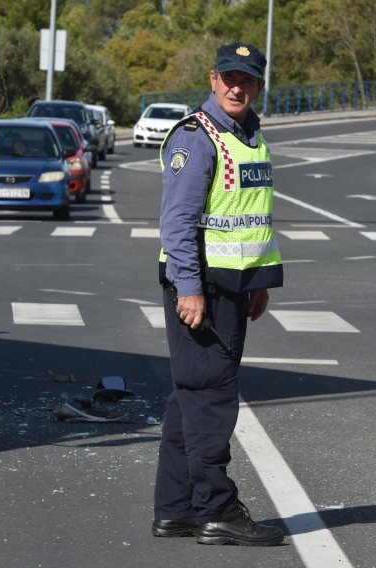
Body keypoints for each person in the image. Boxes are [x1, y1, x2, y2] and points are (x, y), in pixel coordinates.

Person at [152, 42, 285, 546]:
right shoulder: (199, 137)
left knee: (190, 395)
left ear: (258, 86)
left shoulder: (249, 137)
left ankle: (177, 509)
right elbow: (178, 222)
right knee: (210, 395)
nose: (236, 87)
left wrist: (257, 285)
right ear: (212, 80)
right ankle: (218, 509)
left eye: (246, 80)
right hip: (202, 288)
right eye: (229, 77)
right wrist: (189, 290)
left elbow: (252, 217)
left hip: (233, 286)